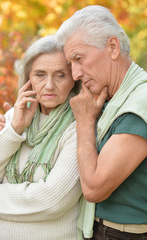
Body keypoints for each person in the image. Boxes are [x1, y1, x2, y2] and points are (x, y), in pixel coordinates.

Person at [55, 5, 147, 240]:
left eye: (79, 59)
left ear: (113, 47)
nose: (75, 73)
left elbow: (94, 188)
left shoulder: (141, 101)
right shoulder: (109, 97)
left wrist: (85, 123)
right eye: (71, 64)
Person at [0, 35, 83, 240]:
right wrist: (14, 130)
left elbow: (53, 201)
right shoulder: (14, 117)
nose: (49, 85)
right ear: (28, 79)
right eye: (40, 75)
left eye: (60, 75)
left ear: (73, 80)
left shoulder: (80, 125)